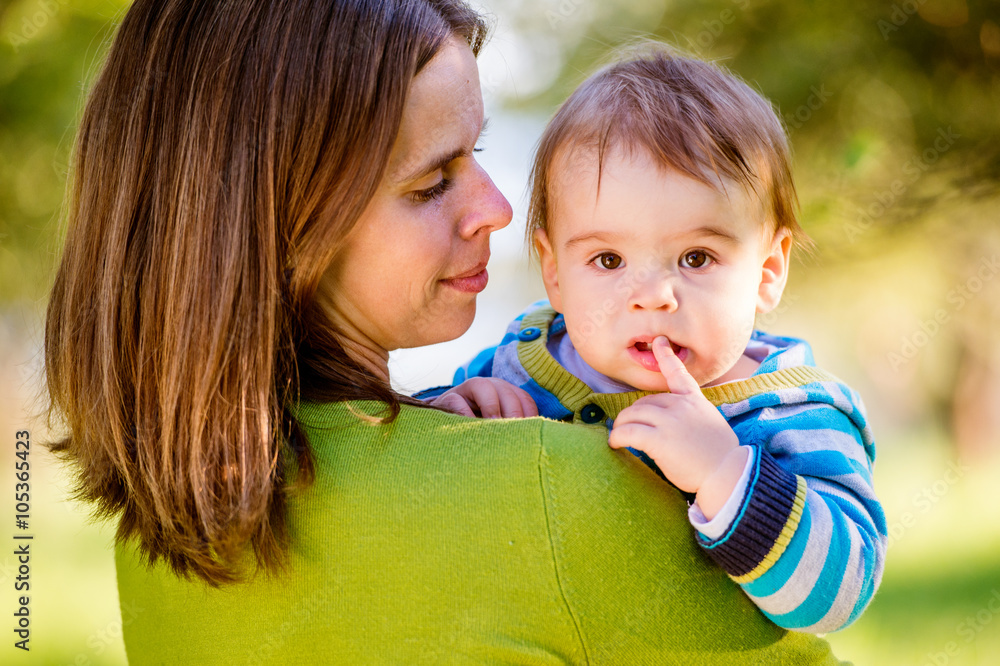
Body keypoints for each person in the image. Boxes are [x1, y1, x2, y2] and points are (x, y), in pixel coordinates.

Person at [44, 1, 844, 662]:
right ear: (279, 224)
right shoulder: (555, 492)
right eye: (432, 182)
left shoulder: (168, 527)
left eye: (480, 152)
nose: (497, 208)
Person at [429, 45, 887, 634]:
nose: (652, 296)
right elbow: (420, 477)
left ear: (768, 271)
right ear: (555, 273)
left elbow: (838, 598)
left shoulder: (792, 415)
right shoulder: (522, 363)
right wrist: (453, 409)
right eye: (608, 259)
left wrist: (726, 474)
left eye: (696, 257)